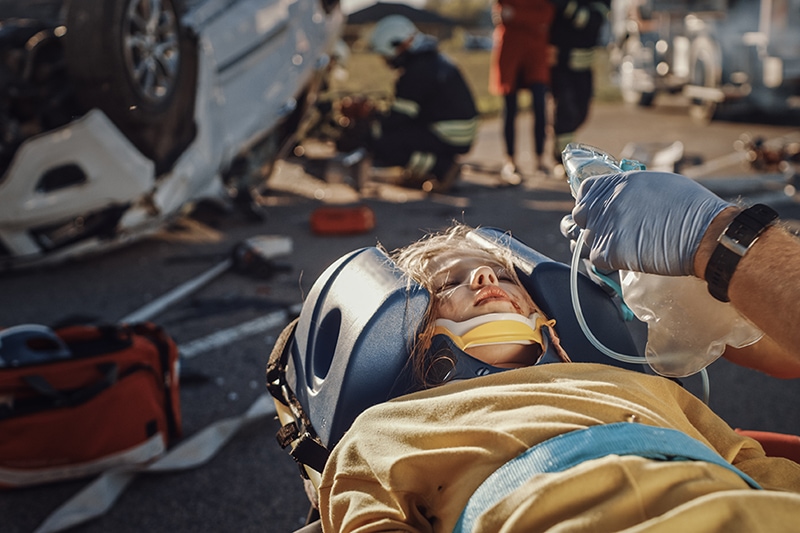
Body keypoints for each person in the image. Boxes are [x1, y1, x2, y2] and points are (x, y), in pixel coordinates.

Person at [316, 170, 800, 532]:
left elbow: (754, 466)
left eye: (503, 276)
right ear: (418, 334)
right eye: (449, 283)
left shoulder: (646, 387)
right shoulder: (390, 426)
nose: (484, 278)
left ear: (552, 325)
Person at [365, 15, 479, 192]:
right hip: (461, 130)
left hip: (450, 133)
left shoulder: (415, 72)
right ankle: (435, 166)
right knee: (400, 134)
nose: (386, 62)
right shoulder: (432, 60)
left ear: (399, 46)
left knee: (385, 142)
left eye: (386, 56)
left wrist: (371, 120)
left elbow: (398, 119)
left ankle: (443, 168)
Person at [489, 0, 555, 183]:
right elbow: (501, 13)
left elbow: (546, 14)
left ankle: (540, 159)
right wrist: (527, 18)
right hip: (511, 48)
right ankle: (510, 160)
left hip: (535, 51)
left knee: (540, 105)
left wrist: (516, 15)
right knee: (510, 108)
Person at [549, 0, 611, 164]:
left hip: (584, 69)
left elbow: (591, 20)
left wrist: (567, 7)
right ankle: (561, 160)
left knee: (581, 114)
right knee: (565, 112)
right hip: (561, 67)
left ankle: (561, 150)